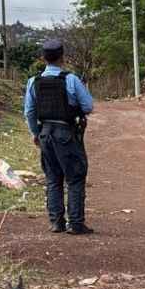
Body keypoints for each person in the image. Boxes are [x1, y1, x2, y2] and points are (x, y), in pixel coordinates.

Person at [24, 39, 94, 234]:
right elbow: (88, 107)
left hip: (45, 134)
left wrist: (35, 134)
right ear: (62, 58)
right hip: (67, 133)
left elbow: (29, 112)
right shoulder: (71, 80)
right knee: (75, 177)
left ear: (42, 58)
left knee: (53, 178)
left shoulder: (33, 82)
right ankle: (76, 223)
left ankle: (57, 222)